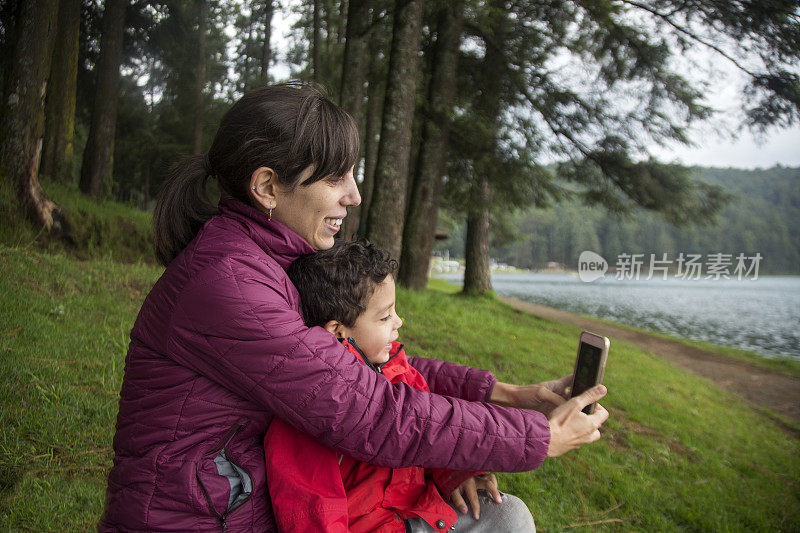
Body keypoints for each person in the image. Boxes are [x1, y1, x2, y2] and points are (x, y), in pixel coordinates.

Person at [99, 83, 609, 532]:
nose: (355, 195)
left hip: (250, 510)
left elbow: (362, 369)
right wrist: (538, 437)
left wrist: (507, 395)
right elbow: (369, 412)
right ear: (268, 187)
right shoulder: (229, 283)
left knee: (503, 516)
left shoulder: (271, 264)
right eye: (335, 178)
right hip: (203, 522)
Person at [266, 239, 535, 532]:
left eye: (395, 311)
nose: (399, 321)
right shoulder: (307, 410)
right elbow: (313, 516)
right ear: (337, 331)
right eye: (384, 316)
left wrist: (456, 474)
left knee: (510, 515)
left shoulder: (398, 371)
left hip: (417, 515)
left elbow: (431, 437)